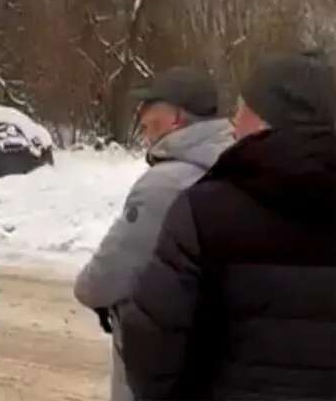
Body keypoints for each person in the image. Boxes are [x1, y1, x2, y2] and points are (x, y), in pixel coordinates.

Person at [122, 50, 336, 400]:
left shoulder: (203, 211)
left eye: (241, 111)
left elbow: (151, 344)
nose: (234, 125)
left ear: (265, 119)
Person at [74, 67, 234, 401]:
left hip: (159, 357)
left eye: (150, 106)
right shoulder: (239, 163)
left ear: (176, 116)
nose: (141, 115)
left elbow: (105, 278)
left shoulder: (164, 184)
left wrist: (90, 292)